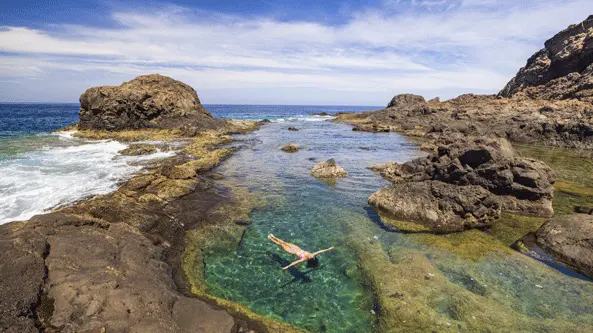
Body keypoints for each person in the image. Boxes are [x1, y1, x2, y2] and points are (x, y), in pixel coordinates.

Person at [268, 234, 334, 270]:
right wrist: (328, 249)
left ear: (310, 258)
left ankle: (271, 239)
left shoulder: (304, 259)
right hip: (297, 248)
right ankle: (274, 237)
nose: (313, 255)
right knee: (284, 242)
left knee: (281, 244)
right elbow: (320, 251)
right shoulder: (312, 254)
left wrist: (287, 266)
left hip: (291, 251)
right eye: (313, 256)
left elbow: (295, 262)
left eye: (312, 256)